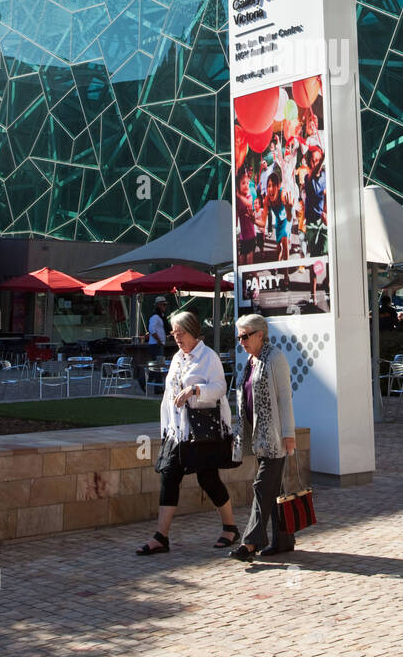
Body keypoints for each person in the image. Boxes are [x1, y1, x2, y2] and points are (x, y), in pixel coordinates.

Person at [136, 310, 239, 554]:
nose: (176, 337)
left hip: (201, 431)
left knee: (207, 478)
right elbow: (168, 396)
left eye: (179, 333)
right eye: (173, 332)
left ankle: (230, 528)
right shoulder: (177, 358)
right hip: (177, 432)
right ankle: (161, 537)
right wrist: (166, 429)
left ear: (192, 332)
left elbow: (220, 388)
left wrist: (194, 390)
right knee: (168, 475)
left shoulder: (208, 357)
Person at [229, 313, 297, 562]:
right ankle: (284, 540)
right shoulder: (252, 360)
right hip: (258, 438)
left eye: (245, 336)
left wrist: (289, 434)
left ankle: (250, 543)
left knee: (261, 487)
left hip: (275, 438)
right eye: (239, 337)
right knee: (274, 489)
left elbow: (284, 398)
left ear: (260, 334)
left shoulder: (274, 358)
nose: (241, 341)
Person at [301, 145, 327, 302]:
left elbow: (326, 195)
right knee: (315, 258)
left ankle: (330, 283)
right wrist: (323, 158)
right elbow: (315, 171)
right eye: (314, 160)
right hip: (311, 223)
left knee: (330, 253)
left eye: (318, 159)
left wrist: (326, 213)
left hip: (323, 220)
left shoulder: (324, 176)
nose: (316, 163)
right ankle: (314, 294)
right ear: (309, 163)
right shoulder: (308, 177)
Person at [236, 168, 258, 266]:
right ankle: (243, 279)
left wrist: (239, 196)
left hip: (251, 235)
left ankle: (256, 279)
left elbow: (249, 203)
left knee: (249, 261)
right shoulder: (238, 201)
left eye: (247, 183)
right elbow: (236, 216)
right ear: (238, 186)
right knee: (241, 259)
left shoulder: (248, 197)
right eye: (243, 183)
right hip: (242, 236)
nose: (246, 185)